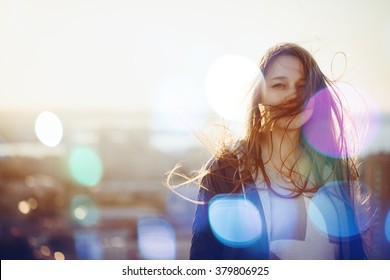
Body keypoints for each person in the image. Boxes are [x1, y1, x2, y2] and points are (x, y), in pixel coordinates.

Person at [166, 42, 375, 259]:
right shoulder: (228, 169)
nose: (293, 96)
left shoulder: (333, 171)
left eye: (303, 86)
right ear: (260, 96)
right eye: (279, 85)